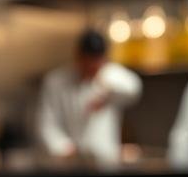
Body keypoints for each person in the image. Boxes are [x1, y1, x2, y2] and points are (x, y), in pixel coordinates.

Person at [36, 29, 143, 168]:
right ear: (78, 56)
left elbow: (134, 88)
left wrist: (105, 89)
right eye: (87, 62)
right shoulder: (56, 81)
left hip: (106, 160)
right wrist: (63, 147)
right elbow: (46, 123)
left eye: (96, 63)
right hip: (68, 162)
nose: (91, 68)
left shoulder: (110, 76)